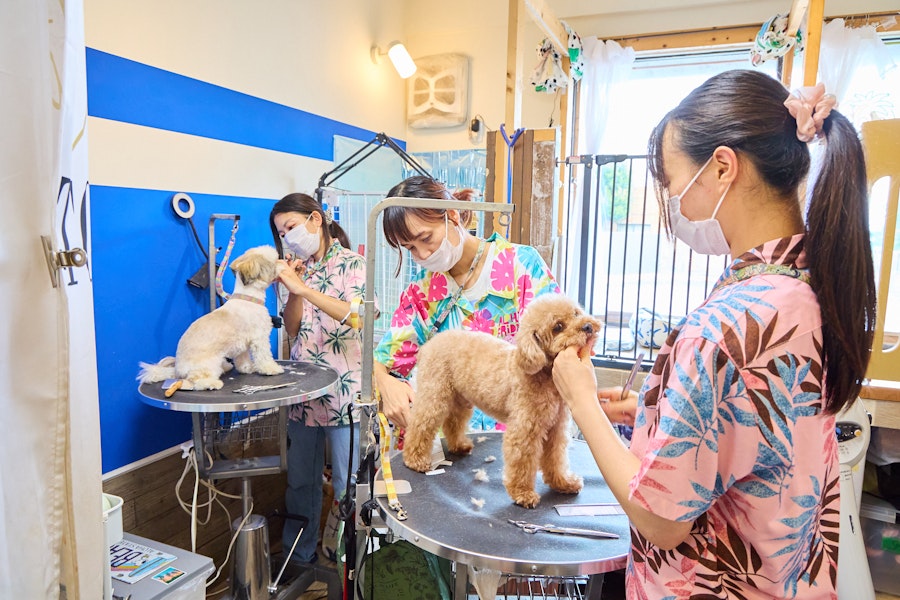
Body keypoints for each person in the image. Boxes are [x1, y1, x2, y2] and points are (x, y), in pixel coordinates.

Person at [552, 69, 876, 599]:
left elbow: (661, 520)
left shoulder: (722, 330)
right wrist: (657, 415)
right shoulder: (807, 288)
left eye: (671, 182)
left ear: (722, 167)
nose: (672, 201)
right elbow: (756, 434)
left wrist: (581, 400)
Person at [373, 175, 560, 431]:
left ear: (452, 215)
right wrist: (386, 384)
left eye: (426, 238)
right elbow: (384, 359)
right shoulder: (422, 290)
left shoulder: (521, 266)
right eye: (411, 248)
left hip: (517, 430)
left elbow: (561, 346)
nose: (423, 254)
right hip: (451, 437)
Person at [269, 192, 373, 564]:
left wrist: (304, 289)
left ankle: (350, 567)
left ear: (316, 219)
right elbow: (292, 329)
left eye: (291, 227)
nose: (288, 238)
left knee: (349, 486)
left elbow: (359, 316)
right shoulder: (295, 270)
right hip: (303, 397)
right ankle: (298, 559)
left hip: (345, 397)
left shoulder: (353, 264)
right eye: (281, 233)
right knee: (300, 484)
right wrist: (294, 289)